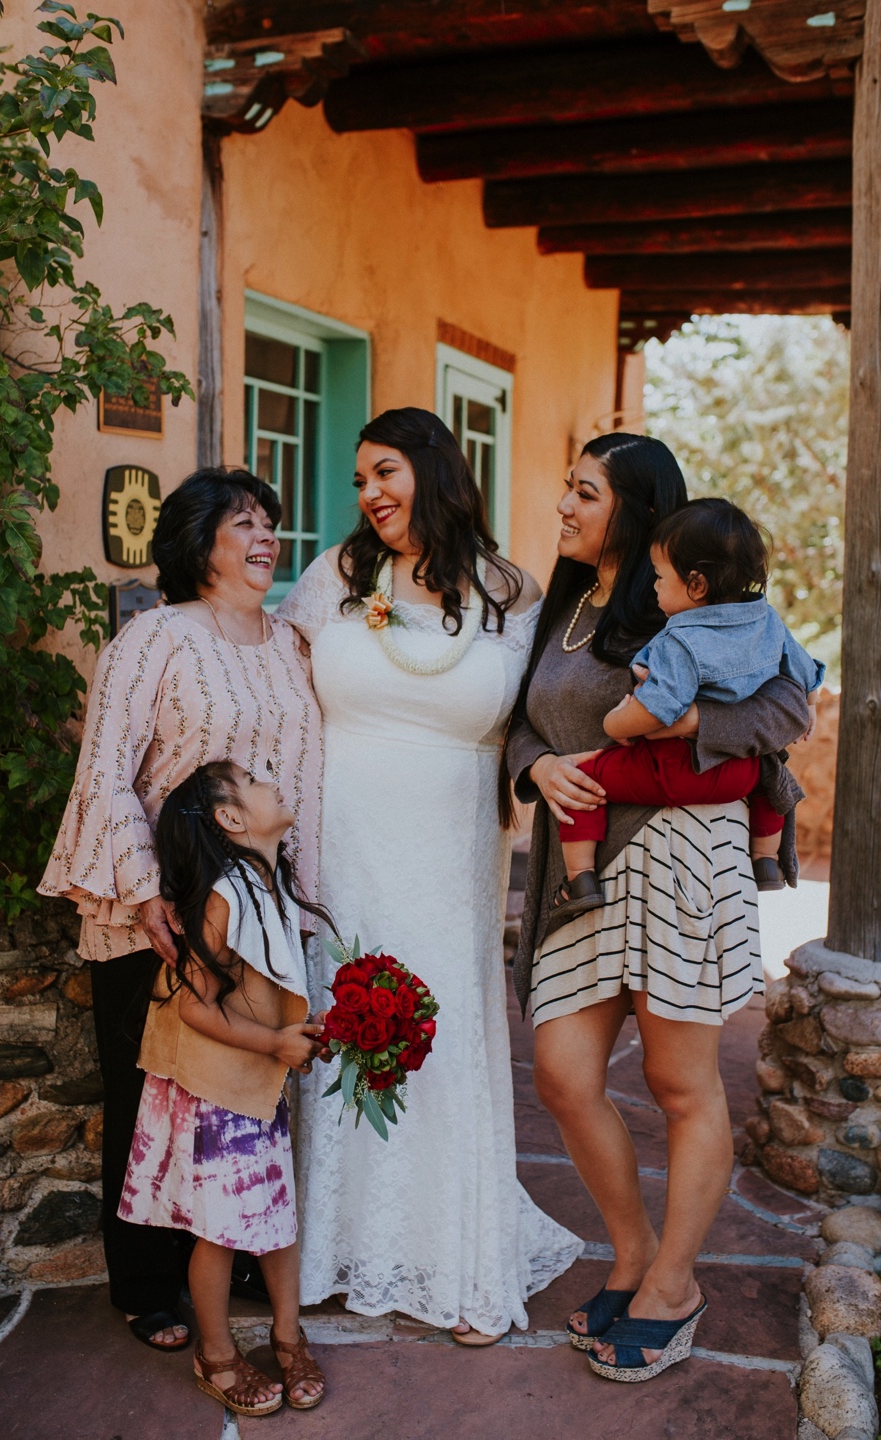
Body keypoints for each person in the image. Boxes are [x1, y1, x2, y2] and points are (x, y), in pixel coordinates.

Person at [504, 433, 811, 1383]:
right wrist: (535, 765)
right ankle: (633, 1253)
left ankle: (671, 1281)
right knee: (562, 1071)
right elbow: (525, 719)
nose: (563, 505)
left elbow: (790, 708)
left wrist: (685, 722)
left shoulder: (691, 603)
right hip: (579, 863)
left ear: (634, 511)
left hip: (677, 853)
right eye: (567, 488)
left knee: (683, 1086)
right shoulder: (564, 605)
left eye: (584, 492)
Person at [279, 406, 583, 1345]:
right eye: (361, 478)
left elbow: (545, 715)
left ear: (433, 471)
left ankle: (459, 1256)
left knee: (444, 1035)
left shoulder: (514, 593)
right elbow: (282, 697)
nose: (369, 493)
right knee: (340, 1022)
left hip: (451, 849)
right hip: (344, 840)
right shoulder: (335, 578)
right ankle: (335, 1244)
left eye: (385, 473)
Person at [39, 469, 322, 1352]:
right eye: (245, 521)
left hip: (260, 923)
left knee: (248, 1091)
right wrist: (145, 892)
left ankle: (231, 1251)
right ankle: (149, 1284)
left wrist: (303, 906)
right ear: (200, 541)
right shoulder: (154, 637)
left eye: (270, 520)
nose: (266, 534)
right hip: (156, 910)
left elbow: (305, 785)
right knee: (153, 1097)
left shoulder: (294, 645)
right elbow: (107, 771)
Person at [119, 760, 326, 1415]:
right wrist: (275, 1044)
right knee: (219, 1231)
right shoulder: (226, 894)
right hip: (214, 1092)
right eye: (262, 781)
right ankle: (215, 1354)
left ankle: (287, 1336)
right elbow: (195, 1007)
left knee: (276, 1217)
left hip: (252, 1089)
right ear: (232, 819)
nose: (277, 782)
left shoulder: (267, 884)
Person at [556, 497, 824, 915]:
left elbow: (659, 710)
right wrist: (809, 705)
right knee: (773, 775)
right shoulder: (768, 620)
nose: (655, 586)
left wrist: (616, 724)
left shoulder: (678, 639)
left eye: (661, 577)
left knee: (581, 781)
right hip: (738, 774)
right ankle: (766, 862)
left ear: (696, 585)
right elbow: (805, 670)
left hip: (677, 772)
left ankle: (580, 879)